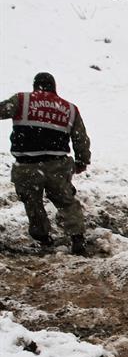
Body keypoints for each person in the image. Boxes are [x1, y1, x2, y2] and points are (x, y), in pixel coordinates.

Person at [0, 72, 90, 255]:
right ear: (54, 87)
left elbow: (1, 110)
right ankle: (77, 238)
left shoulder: (22, 100)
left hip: (27, 166)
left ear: (35, 86)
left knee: (32, 203)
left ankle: (43, 236)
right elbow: (81, 138)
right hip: (57, 164)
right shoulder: (69, 109)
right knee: (66, 201)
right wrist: (82, 160)